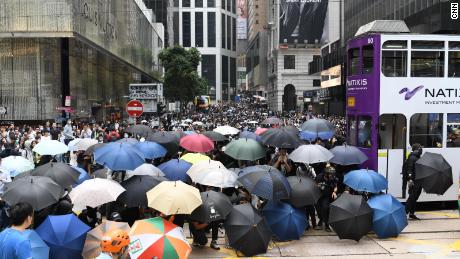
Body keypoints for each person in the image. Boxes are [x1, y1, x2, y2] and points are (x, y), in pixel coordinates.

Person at [315, 166, 338, 231]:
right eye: (330, 174)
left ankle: (327, 225)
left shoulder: (333, 178)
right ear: (326, 174)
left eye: (333, 174)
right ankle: (321, 220)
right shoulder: (319, 177)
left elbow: (336, 186)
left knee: (325, 208)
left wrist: (334, 192)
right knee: (318, 209)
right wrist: (318, 186)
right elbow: (315, 185)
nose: (332, 175)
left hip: (326, 195)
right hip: (318, 195)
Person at [405, 143, 423, 220]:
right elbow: (409, 169)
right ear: (416, 149)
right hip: (414, 181)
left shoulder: (417, 157)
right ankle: (404, 213)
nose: (421, 149)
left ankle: (412, 213)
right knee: (412, 197)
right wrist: (410, 179)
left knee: (415, 197)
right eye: (420, 148)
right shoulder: (412, 157)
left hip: (419, 180)